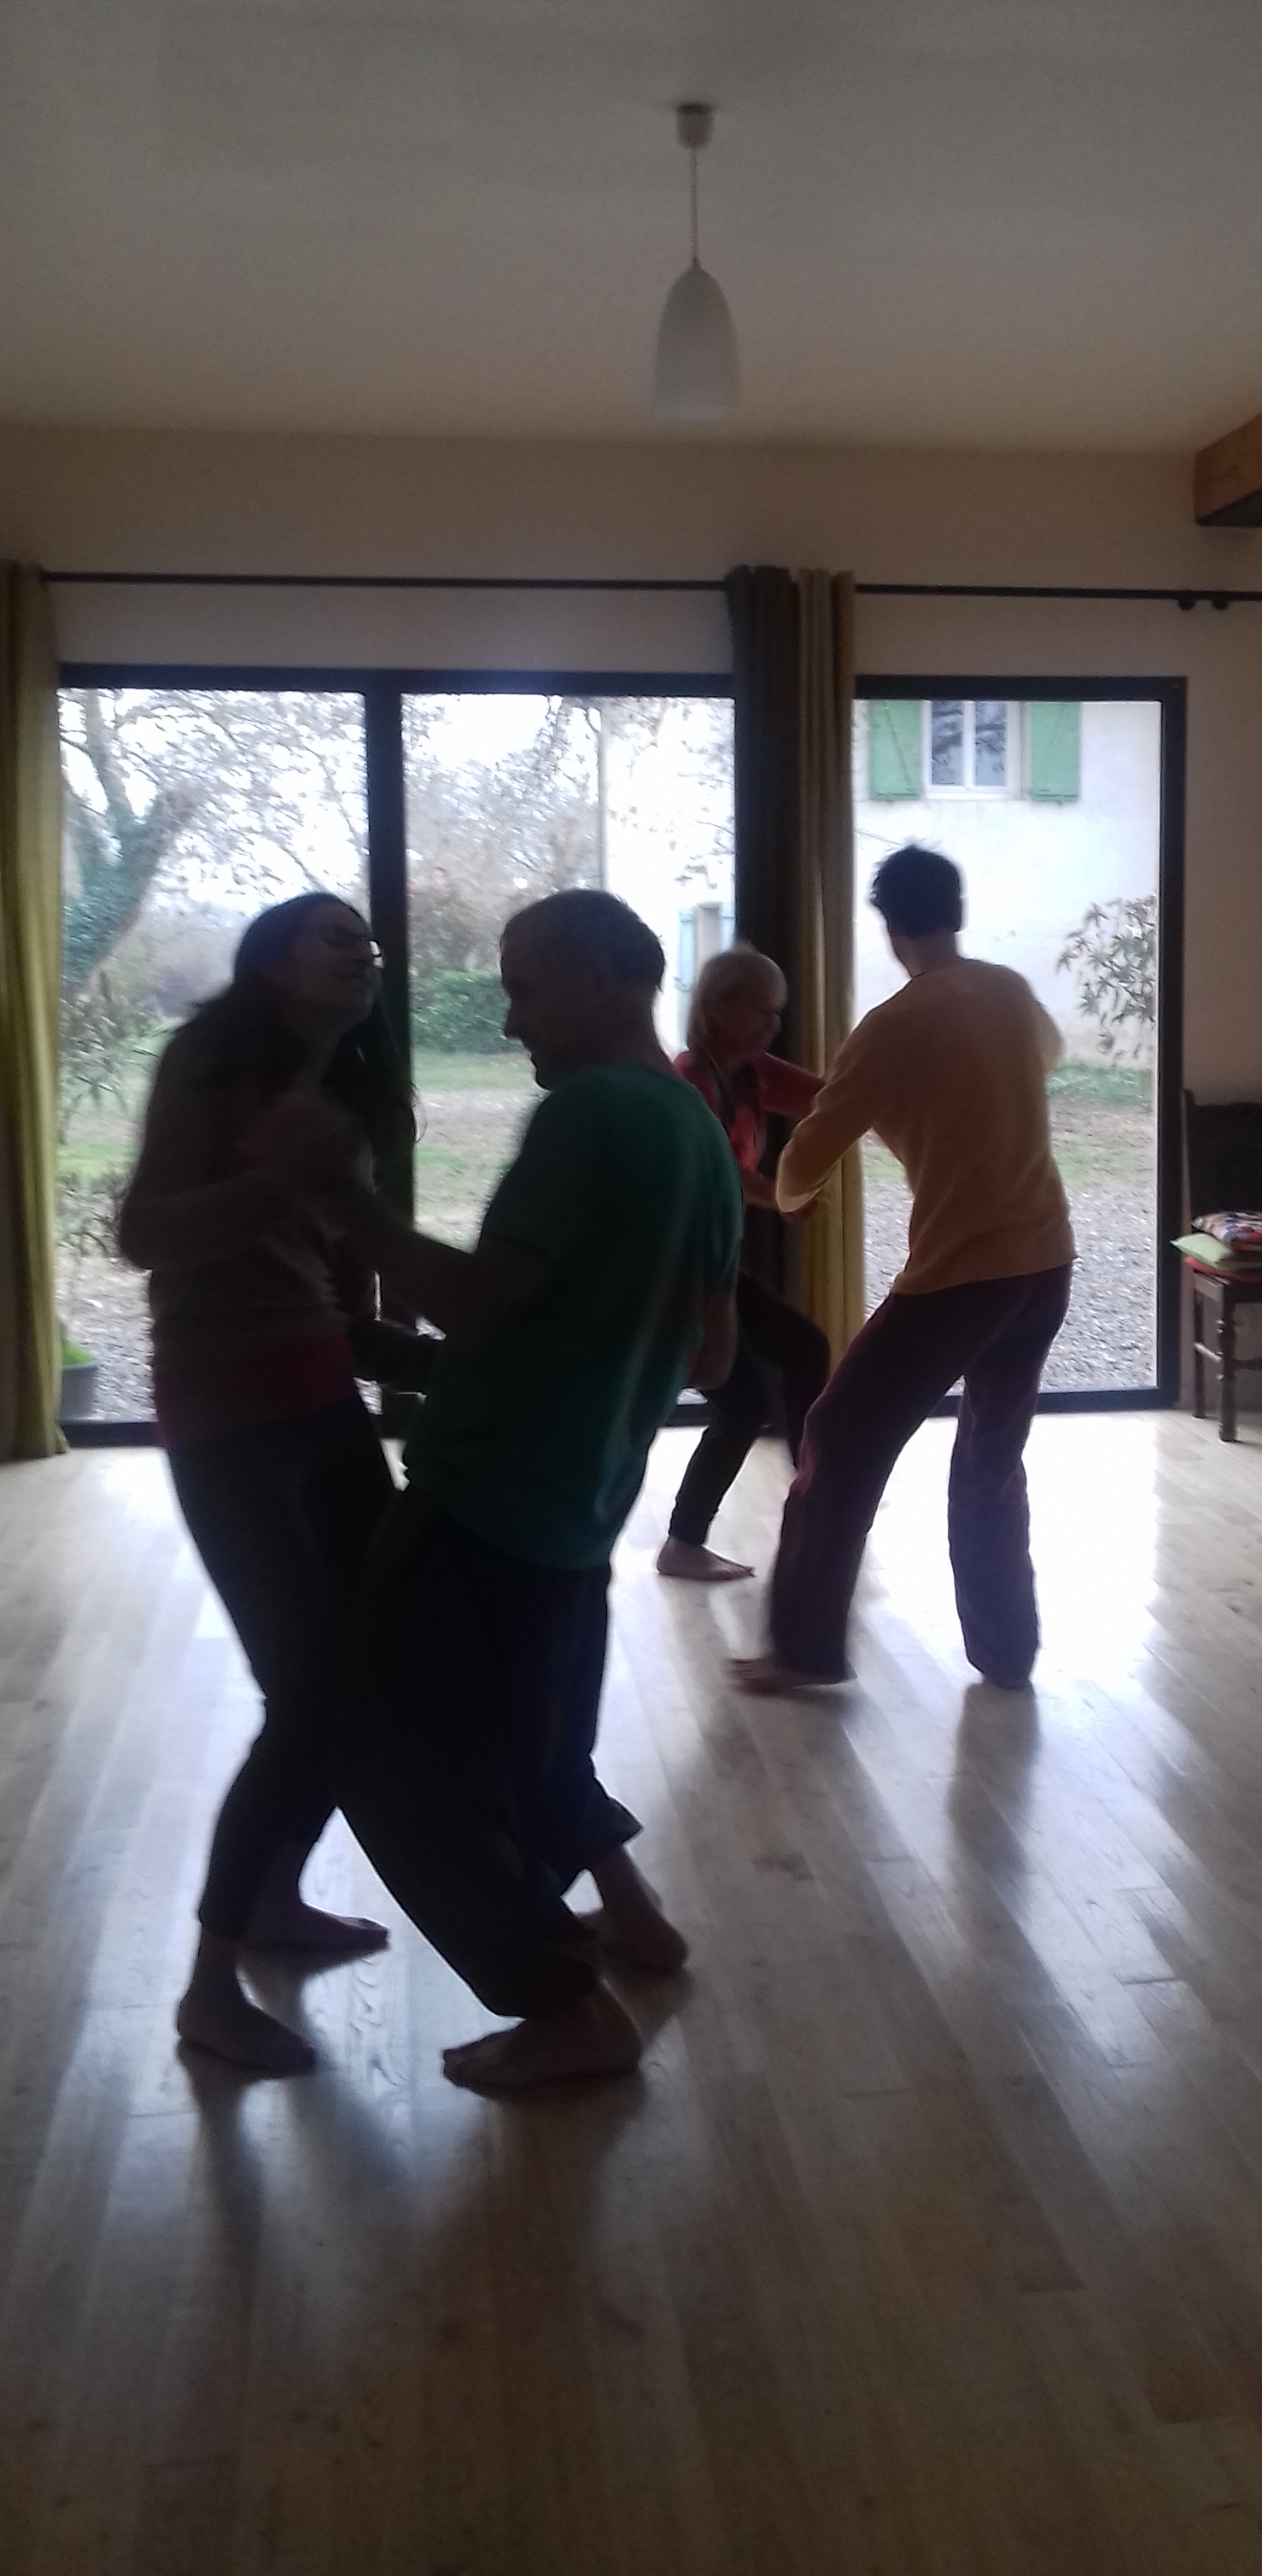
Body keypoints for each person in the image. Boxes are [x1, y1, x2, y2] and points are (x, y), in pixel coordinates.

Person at [309, 891, 742, 2093]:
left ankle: (567, 2006)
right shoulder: (696, 1127)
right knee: (539, 1747)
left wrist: (342, 1201)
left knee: (391, 1767)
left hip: (484, 1498)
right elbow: (711, 1358)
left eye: (523, 988)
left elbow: (477, 1300)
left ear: (603, 977)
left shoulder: (588, 1113)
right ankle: (634, 1919)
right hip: (581, 1504)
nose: (509, 1022)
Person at [118, 893, 435, 2075]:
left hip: (318, 1396)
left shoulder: (343, 1092)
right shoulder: (208, 1062)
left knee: (374, 1665)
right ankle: (208, 1992)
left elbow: (330, 1288)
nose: (362, 951)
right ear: (269, 962)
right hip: (225, 1410)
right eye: (331, 935)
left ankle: (273, 1899)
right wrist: (281, 1183)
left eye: (368, 942)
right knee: (305, 1689)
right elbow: (145, 1234)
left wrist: (440, 1354)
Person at [735, 844, 1074, 1697]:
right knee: (990, 1459)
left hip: (964, 1276)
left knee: (839, 1437)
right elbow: (1046, 1054)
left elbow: (808, 1151)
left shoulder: (890, 1027)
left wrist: (788, 1198)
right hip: (1046, 1262)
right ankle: (1007, 1652)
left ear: (890, 928)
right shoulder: (1007, 991)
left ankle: (803, 1649)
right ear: (955, 913)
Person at [657, 944, 831, 1583]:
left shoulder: (753, 1073)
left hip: (712, 1265)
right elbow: (719, 1175)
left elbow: (833, 1101)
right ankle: (683, 1543)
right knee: (744, 1402)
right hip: (670, 1275)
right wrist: (782, 1194)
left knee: (805, 1347)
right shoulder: (690, 1082)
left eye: (777, 1012)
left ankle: (817, 1492)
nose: (772, 1024)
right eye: (761, 1010)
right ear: (717, 1008)